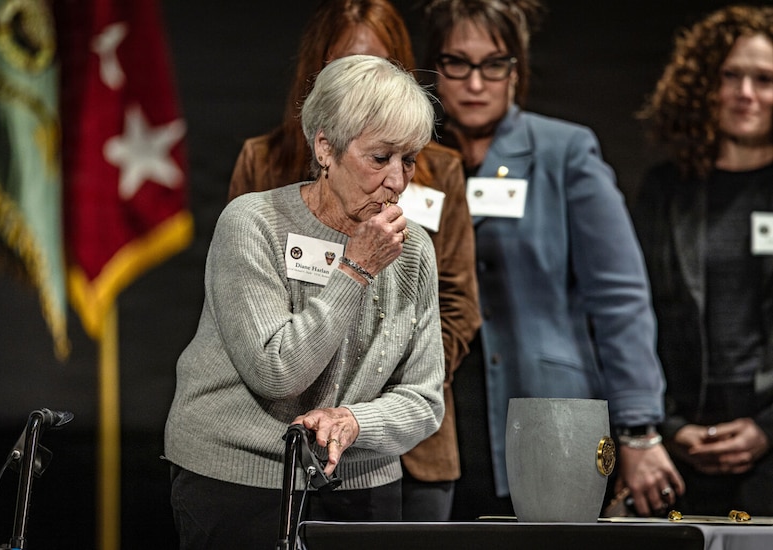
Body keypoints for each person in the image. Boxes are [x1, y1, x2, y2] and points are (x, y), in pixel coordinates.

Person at [164, 54, 446, 549]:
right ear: (325, 148)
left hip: (362, 485)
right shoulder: (252, 223)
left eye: (409, 160)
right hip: (242, 478)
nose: (398, 181)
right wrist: (355, 270)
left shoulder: (415, 248)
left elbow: (424, 400)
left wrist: (358, 421)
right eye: (380, 159)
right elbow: (277, 373)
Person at [421, 0, 683, 519]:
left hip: (550, 413)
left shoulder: (564, 151)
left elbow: (620, 297)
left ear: (516, 69)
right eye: (457, 62)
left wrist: (637, 429)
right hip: (441, 420)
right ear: (434, 68)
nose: (476, 82)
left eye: (493, 64)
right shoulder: (412, 158)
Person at [228, 0, 481, 521]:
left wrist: (373, 395)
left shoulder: (433, 180)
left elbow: (452, 307)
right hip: (272, 446)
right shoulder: (262, 177)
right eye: (345, 64)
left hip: (395, 444)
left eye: (381, 67)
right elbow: (254, 325)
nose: (363, 80)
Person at [633, 5, 773, 516]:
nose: (746, 94)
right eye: (730, 75)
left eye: (764, 79)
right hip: (680, 445)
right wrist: (667, 427)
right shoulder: (665, 191)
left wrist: (767, 428)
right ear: (702, 86)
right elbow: (633, 312)